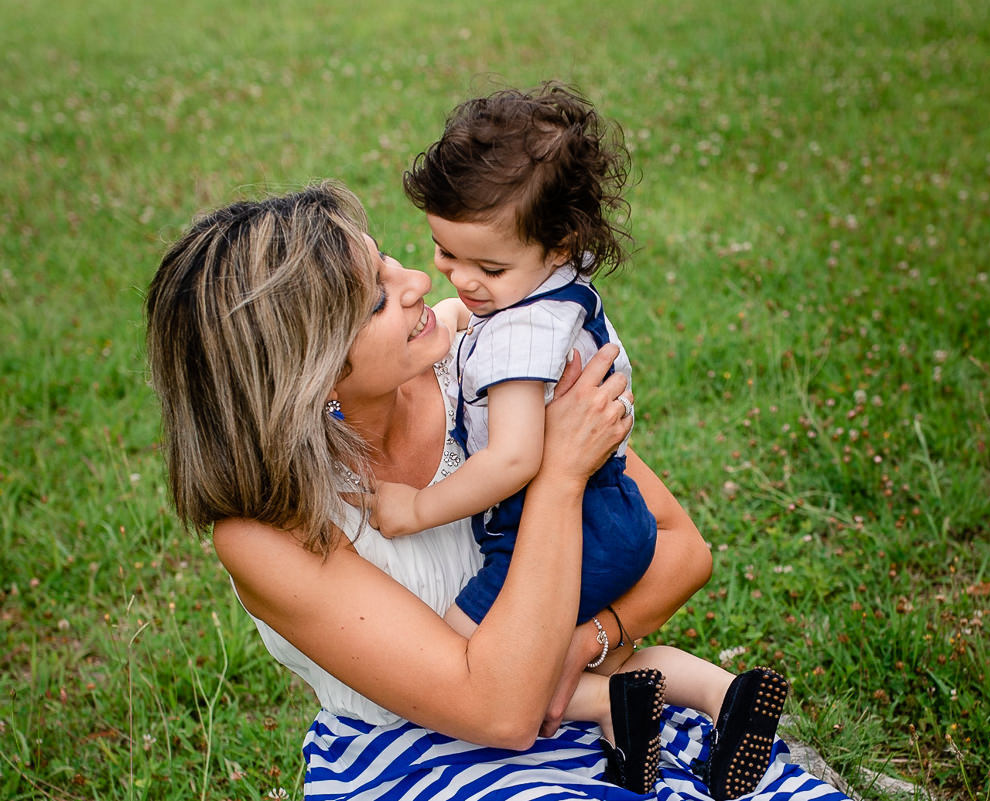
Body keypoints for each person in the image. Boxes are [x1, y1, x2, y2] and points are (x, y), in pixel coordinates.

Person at [145, 181, 850, 801]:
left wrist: (582, 642)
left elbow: (680, 549)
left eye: (389, 260)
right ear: (312, 370)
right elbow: (500, 712)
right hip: (411, 761)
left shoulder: (488, 375)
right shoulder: (268, 531)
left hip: (591, 703)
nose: (420, 280)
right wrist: (557, 475)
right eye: (378, 299)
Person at [368, 83, 791, 799]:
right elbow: (466, 312)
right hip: (610, 509)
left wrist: (417, 508)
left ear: (557, 244)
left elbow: (515, 458)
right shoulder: (553, 288)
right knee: (557, 653)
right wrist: (459, 304)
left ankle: (618, 708)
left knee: (465, 653)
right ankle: (721, 694)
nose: (461, 280)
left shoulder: (522, 336)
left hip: (571, 521)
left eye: (486, 269)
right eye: (444, 252)